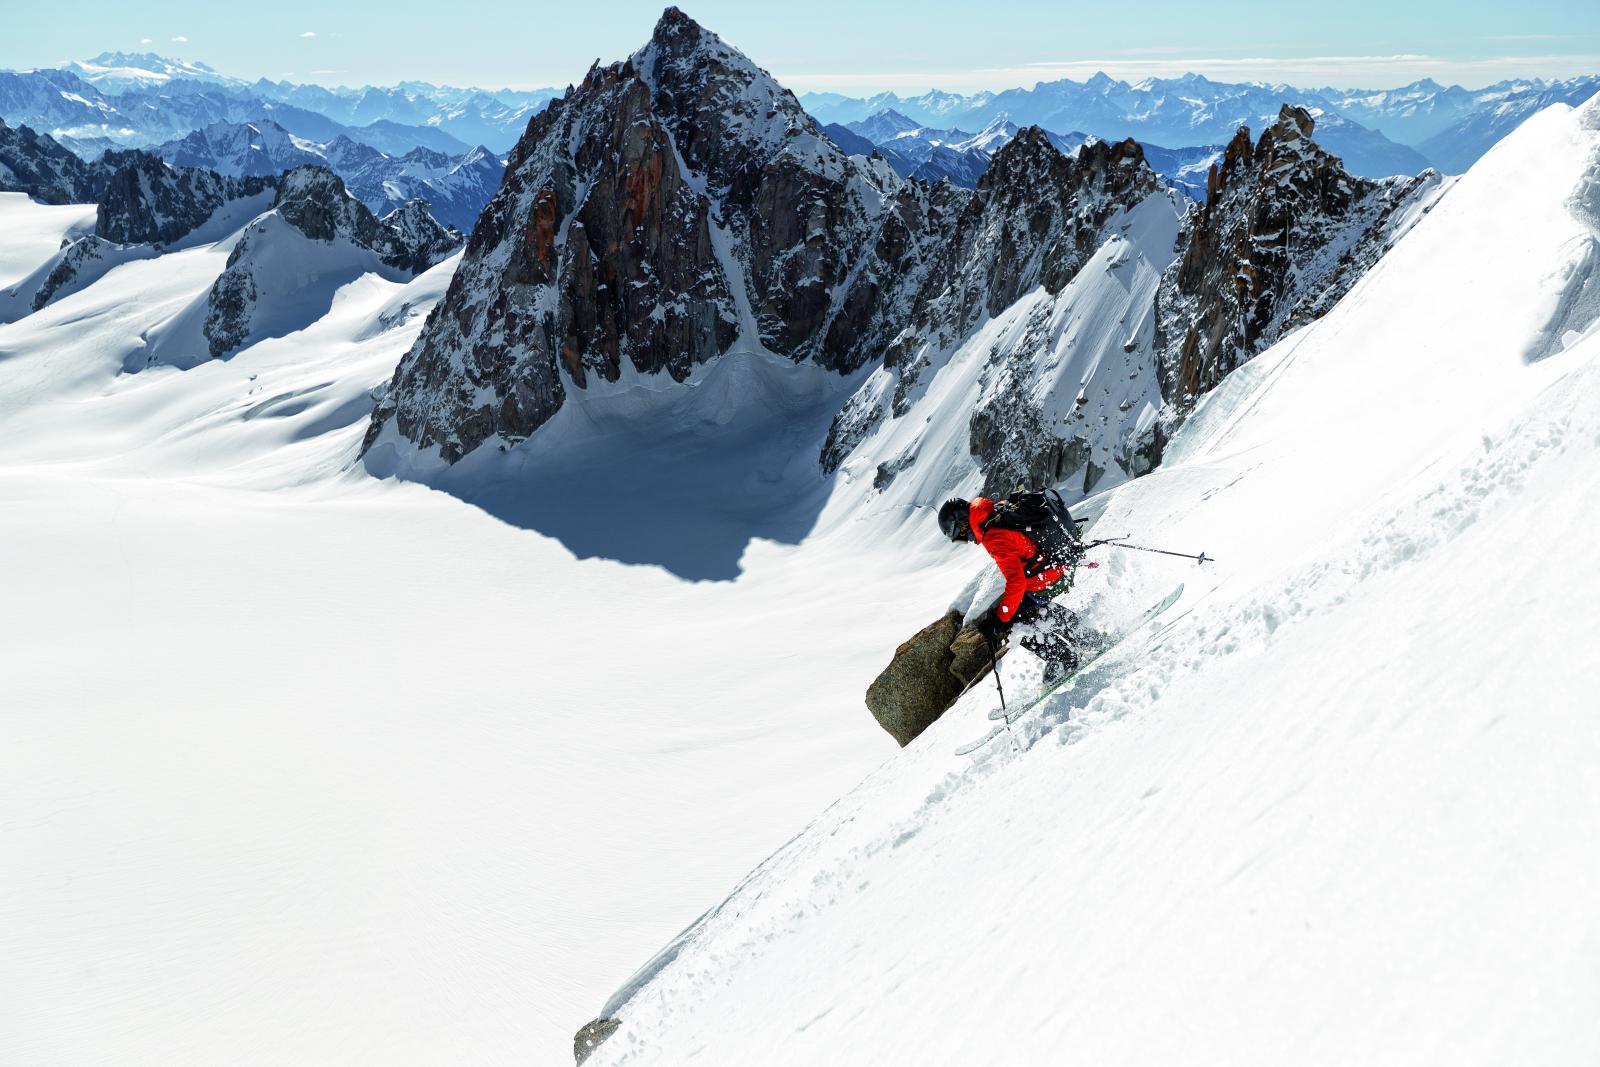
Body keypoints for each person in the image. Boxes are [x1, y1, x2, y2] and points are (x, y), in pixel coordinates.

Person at [938, 494, 1082, 685]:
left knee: (1012, 622)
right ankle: (1084, 636)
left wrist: (1000, 620)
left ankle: (1063, 659)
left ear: (963, 524)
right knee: (1022, 610)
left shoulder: (993, 535)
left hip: (1046, 576)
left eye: (961, 536)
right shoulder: (994, 511)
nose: (967, 540)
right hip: (1054, 565)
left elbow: (1016, 581)